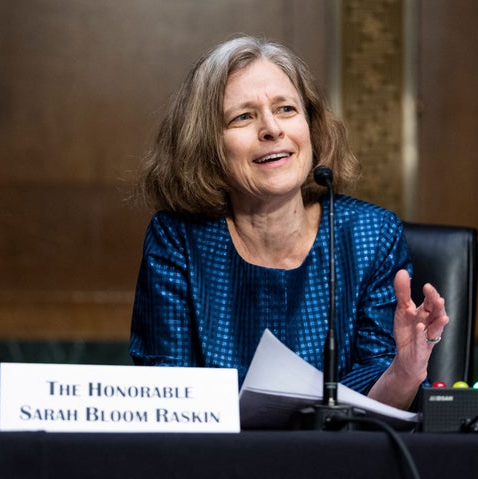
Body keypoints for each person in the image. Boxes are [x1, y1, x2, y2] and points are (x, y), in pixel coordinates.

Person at [128, 34, 448, 411]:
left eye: (285, 109)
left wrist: (404, 372)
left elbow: (370, 413)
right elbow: (168, 393)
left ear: (310, 126)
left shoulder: (369, 235)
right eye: (243, 116)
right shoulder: (178, 238)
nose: (272, 129)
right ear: (206, 144)